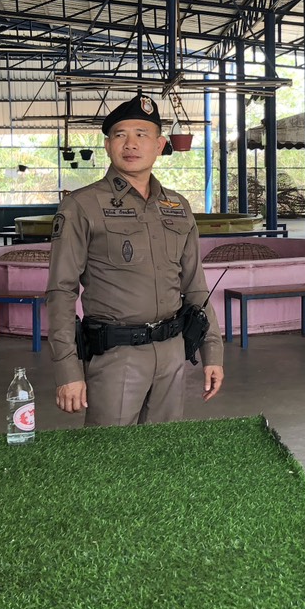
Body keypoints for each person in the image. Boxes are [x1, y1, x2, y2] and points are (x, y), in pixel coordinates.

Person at [46, 93, 224, 426]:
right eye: (120, 135)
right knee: (110, 451)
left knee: (163, 449)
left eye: (142, 134)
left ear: (159, 145)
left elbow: (196, 287)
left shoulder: (178, 207)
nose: (131, 144)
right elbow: (61, 291)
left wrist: (212, 352)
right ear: (107, 146)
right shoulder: (82, 206)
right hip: (115, 355)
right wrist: (68, 370)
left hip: (172, 352)